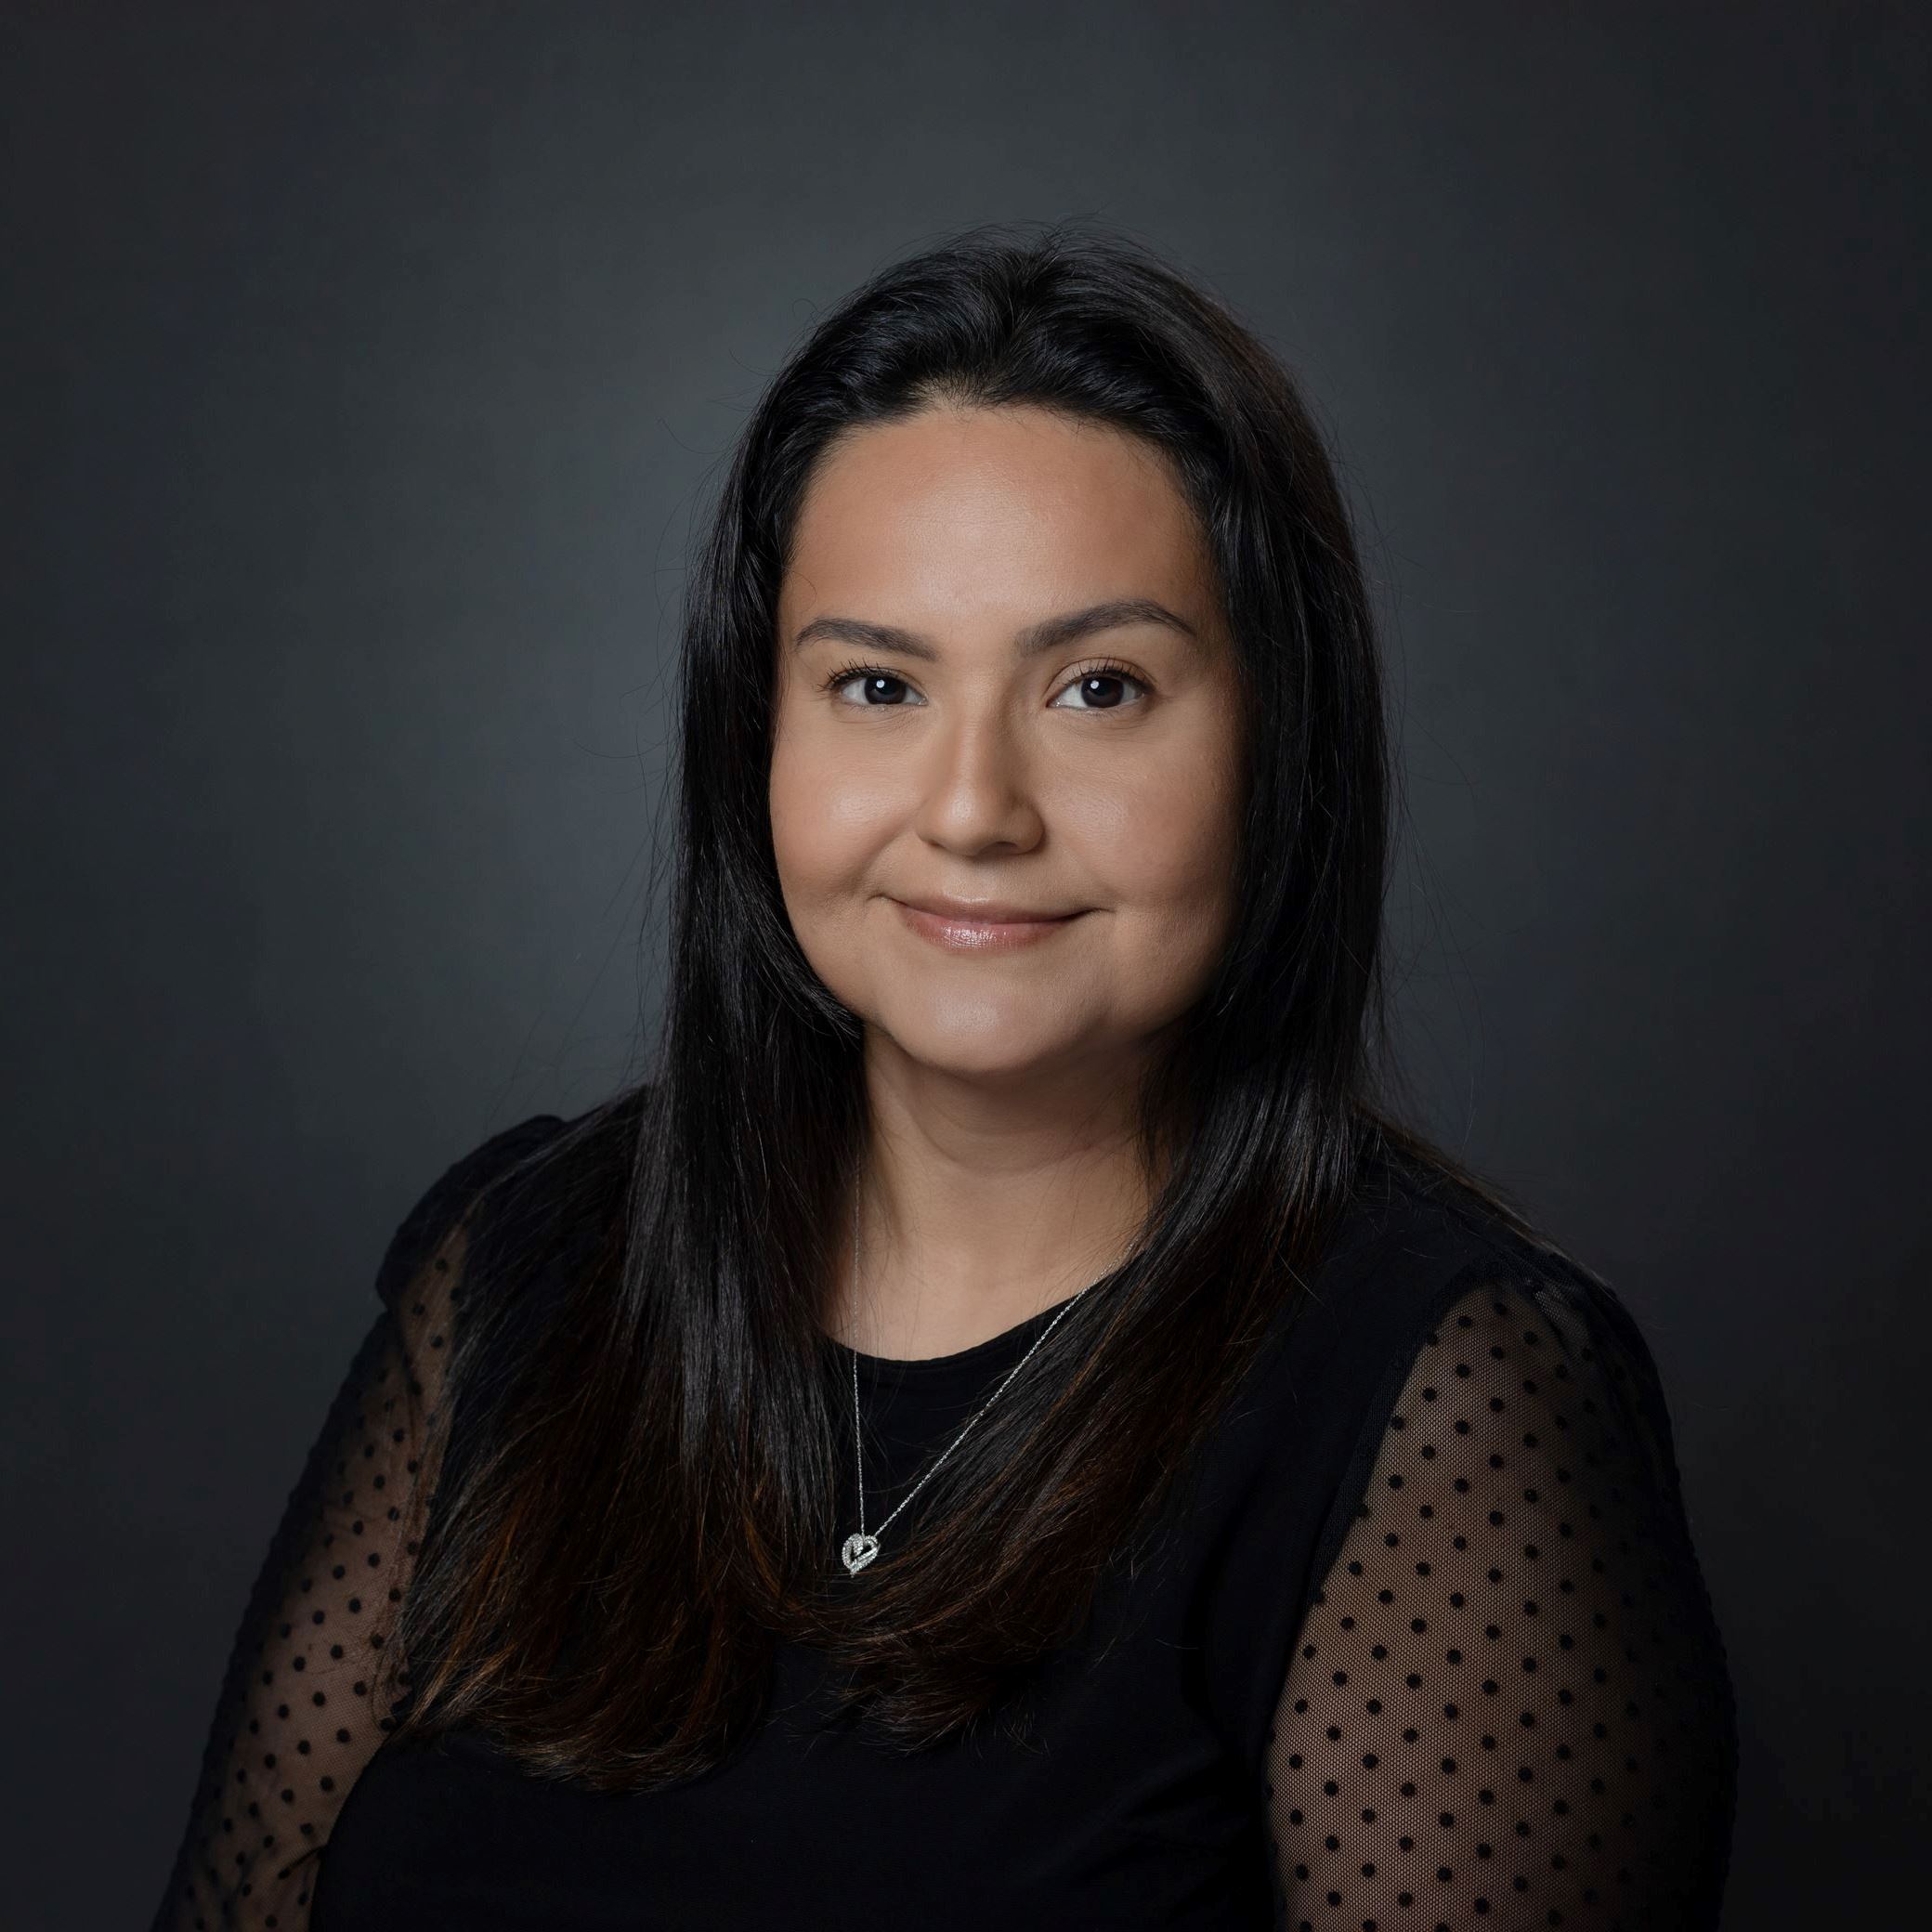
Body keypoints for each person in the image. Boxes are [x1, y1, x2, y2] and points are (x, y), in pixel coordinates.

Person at [147, 223, 1738, 1930]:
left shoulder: (1447, 1403)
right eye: (879, 684)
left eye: (1099, 688)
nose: (975, 809)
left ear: (1277, 746)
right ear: (757, 735)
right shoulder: (523, 1272)